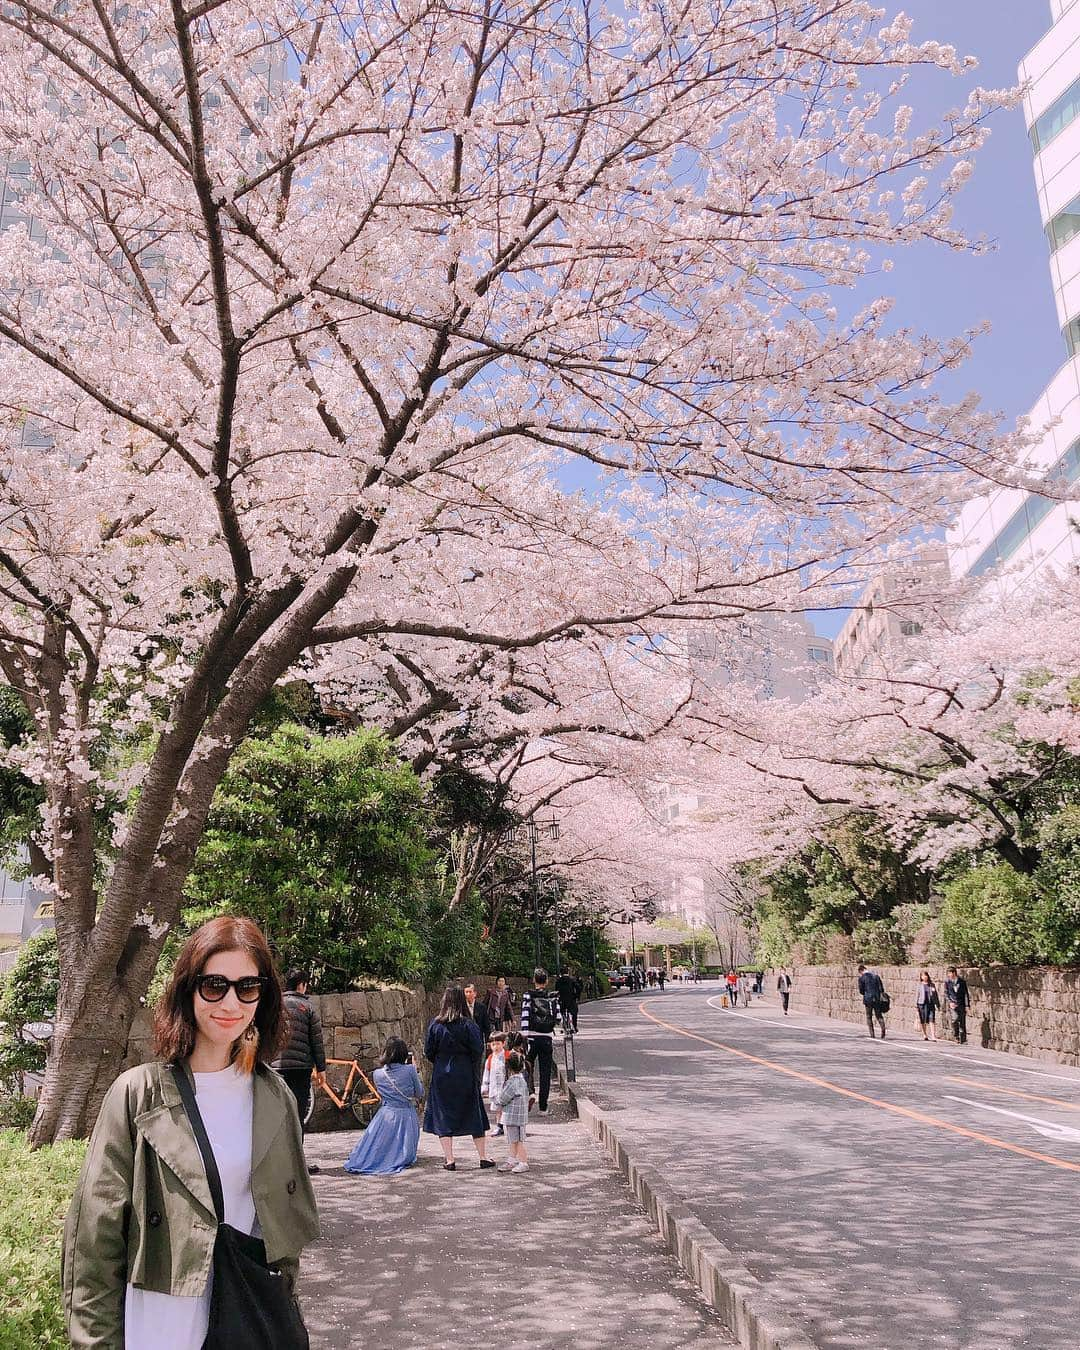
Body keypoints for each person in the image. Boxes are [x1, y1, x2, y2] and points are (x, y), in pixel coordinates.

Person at [62, 916, 319, 1350]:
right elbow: (94, 1239)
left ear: (263, 996)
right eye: (214, 985)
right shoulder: (139, 1094)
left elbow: (282, 1237)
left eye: (248, 987)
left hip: (245, 1317)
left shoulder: (275, 1098)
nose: (231, 1003)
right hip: (161, 1320)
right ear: (188, 988)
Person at [423, 985, 493, 1170]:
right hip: (465, 1072)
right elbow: (478, 1049)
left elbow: (428, 1051)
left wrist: (440, 1060)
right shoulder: (469, 1024)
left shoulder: (436, 1025)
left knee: (443, 1115)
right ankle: (483, 1156)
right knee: (473, 1112)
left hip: (442, 1073)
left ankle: (450, 1159)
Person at [272, 967, 328, 1174]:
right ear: (301, 985)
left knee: (278, 1115)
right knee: (297, 1115)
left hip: (276, 1069)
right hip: (301, 1069)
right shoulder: (307, 1007)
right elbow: (316, 1041)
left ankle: (278, 1163)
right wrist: (321, 1069)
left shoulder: (276, 1006)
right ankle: (297, 1164)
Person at [343, 1038, 424, 1175]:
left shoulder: (377, 1074)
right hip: (405, 1115)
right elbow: (419, 1092)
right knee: (404, 1152)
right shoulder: (410, 1070)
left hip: (385, 1114)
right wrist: (414, 1070)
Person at [520, 967, 562, 1115]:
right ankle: (543, 1107)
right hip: (546, 1038)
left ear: (534, 980)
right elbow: (558, 1018)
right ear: (547, 981)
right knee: (545, 1073)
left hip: (531, 1037)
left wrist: (524, 1035)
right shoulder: (552, 997)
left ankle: (530, 1092)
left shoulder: (528, 995)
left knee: (526, 1066)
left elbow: (525, 1015)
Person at [497, 1051, 531, 1173]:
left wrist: (497, 1100)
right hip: (521, 1116)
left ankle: (523, 1162)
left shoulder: (511, 1082)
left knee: (516, 1141)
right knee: (515, 1140)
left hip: (512, 1116)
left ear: (509, 1067)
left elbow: (503, 1098)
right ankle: (512, 1160)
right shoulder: (522, 1081)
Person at [482, 1032, 508, 1136]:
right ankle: (499, 1126)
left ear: (503, 1043)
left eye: (498, 1043)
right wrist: (485, 1086)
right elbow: (486, 1073)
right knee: (498, 1108)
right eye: (493, 1044)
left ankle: (511, 1125)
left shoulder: (507, 1056)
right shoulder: (490, 1059)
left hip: (505, 1087)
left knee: (507, 1108)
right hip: (495, 1087)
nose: (495, 1047)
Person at [857, 963, 887, 1039]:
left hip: (868, 999)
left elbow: (861, 991)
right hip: (877, 998)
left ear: (861, 971)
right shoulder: (876, 976)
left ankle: (872, 1034)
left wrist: (866, 993)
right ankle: (883, 1029)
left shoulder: (861, 978)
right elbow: (881, 989)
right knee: (879, 1015)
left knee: (869, 1016)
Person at [945, 966, 969, 1044]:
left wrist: (967, 1005)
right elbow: (946, 993)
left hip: (961, 1003)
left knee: (962, 1021)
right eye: (948, 973)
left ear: (954, 973)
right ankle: (956, 1036)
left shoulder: (962, 982)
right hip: (953, 1004)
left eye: (950, 973)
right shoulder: (947, 982)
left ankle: (963, 1039)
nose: (949, 975)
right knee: (955, 1019)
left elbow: (966, 994)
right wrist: (950, 1002)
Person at [555, 966, 583, 1033]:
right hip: (571, 1000)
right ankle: (574, 1026)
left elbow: (556, 991)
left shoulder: (558, 981)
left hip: (562, 1001)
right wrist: (577, 996)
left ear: (561, 973)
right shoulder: (572, 980)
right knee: (574, 1013)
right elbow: (579, 988)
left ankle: (562, 1024)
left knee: (560, 1012)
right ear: (568, 972)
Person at [916, 971, 940, 1042]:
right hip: (922, 1004)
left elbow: (935, 995)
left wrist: (937, 1004)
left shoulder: (932, 985)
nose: (924, 977)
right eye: (923, 976)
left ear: (928, 976)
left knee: (932, 1019)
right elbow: (917, 995)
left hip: (931, 1004)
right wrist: (916, 1005)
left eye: (925, 975)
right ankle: (925, 1034)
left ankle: (933, 1036)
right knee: (923, 1020)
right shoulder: (919, 985)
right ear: (921, 977)